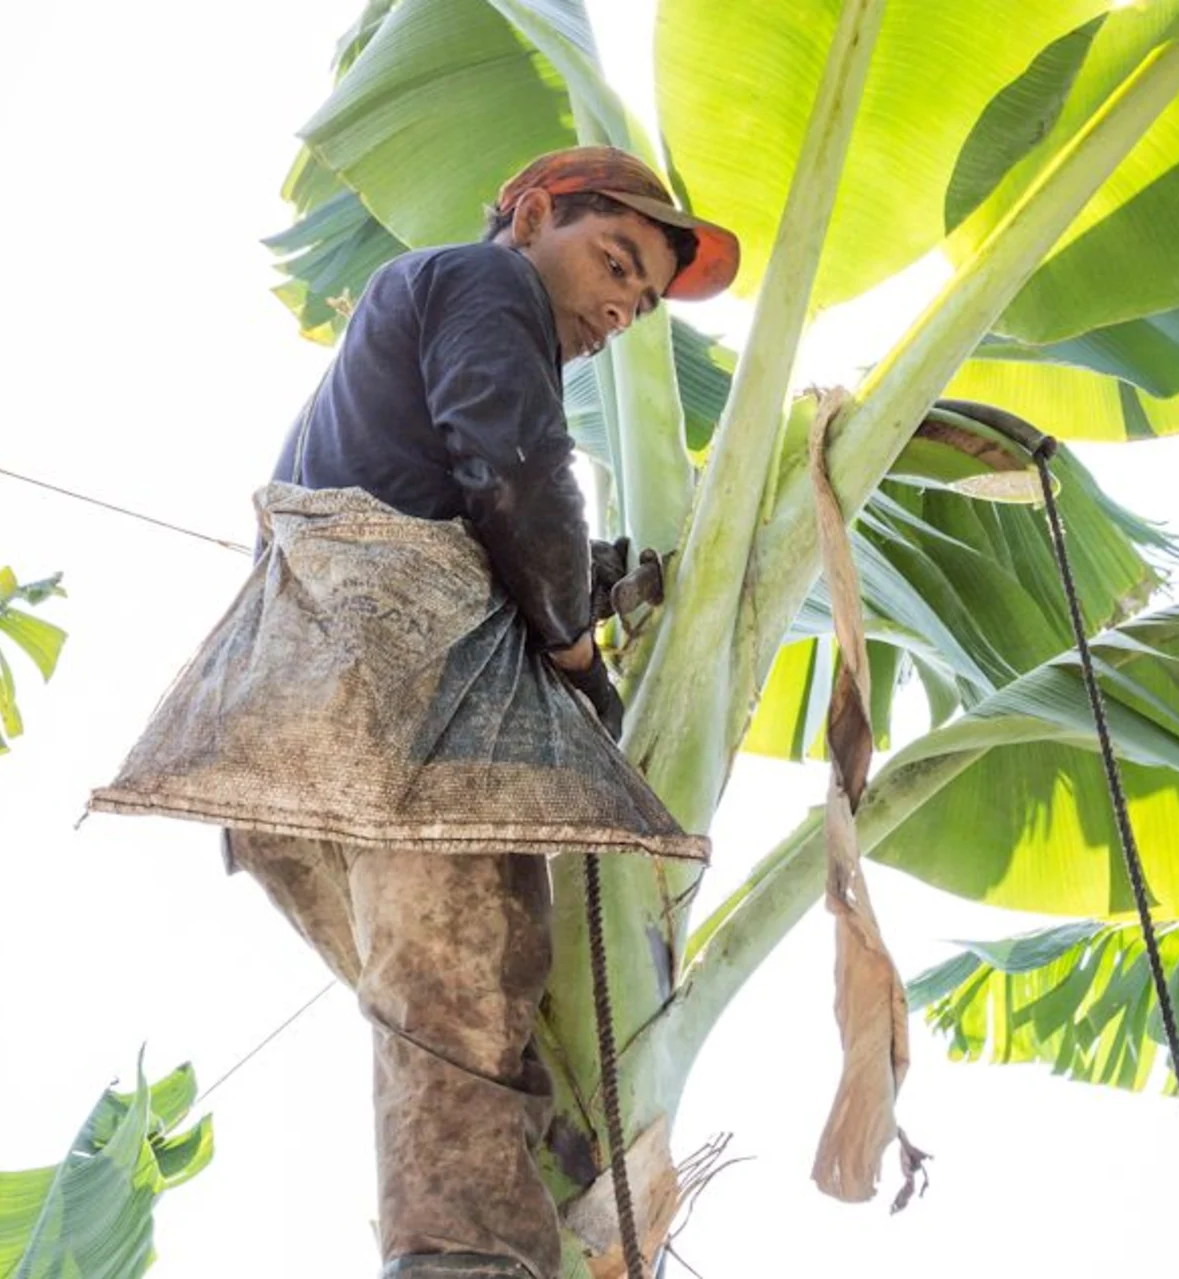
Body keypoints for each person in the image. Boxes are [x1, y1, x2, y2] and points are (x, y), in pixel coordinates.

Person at [90, 146, 738, 1279]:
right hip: (397, 694)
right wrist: (580, 649)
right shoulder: (486, 284)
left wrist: (586, 583)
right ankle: (467, 1260)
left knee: (437, 1030)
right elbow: (517, 468)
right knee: (467, 998)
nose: (623, 306)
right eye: (616, 260)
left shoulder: (406, 329)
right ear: (535, 214)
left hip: (281, 740)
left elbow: (470, 483)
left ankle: (517, 1199)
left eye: (642, 300)